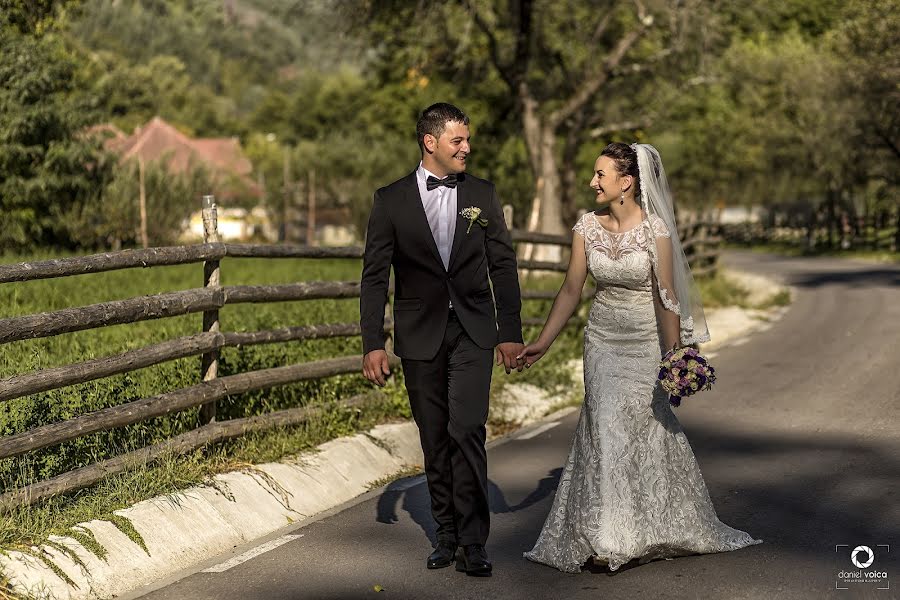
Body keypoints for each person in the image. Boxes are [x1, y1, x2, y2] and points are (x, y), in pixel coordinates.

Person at [519, 142, 762, 572]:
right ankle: (607, 536)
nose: (592, 182)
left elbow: (665, 298)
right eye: (594, 175)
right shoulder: (585, 227)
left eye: (600, 175)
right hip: (602, 342)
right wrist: (543, 342)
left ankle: (653, 521)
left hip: (645, 344)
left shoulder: (656, 231)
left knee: (644, 431)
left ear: (626, 183)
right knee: (605, 427)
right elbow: (572, 289)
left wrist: (674, 359)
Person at [360, 102, 525, 577]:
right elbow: (374, 276)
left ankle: (474, 542)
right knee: (434, 436)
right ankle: (446, 535)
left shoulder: (483, 194)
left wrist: (509, 334)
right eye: (458, 140)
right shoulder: (389, 200)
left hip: (474, 330)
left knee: (466, 428)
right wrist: (373, 342)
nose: (467, 148)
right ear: (430, 142)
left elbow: (503, 266)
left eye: (467, 139)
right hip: (418, 334)